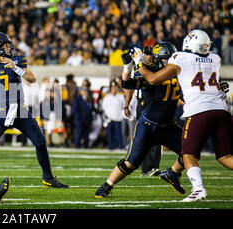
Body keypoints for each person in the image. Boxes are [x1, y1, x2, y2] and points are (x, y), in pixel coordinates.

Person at [0, 32, 68, 188]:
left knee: (40, 141)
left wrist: (16, 67)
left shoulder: (17, 59)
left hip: (20, 109)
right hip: (2, 110)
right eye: (5, 45)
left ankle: (48, 178)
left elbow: (32, 78)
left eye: (9, 45)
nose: (9, 48)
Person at [134, 30, 233, 202]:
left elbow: (153, 79)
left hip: (199, 110)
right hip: (222, 109)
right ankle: (172, 173)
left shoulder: (180, 58)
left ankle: (198, 189)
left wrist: (139, 64)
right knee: (225, 156)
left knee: (188, 154)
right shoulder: (215, 59)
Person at [95, 42, 186, 198]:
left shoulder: (179, 73)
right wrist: (127, 67)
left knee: (190, 152)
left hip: (169, 126)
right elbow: (127, 83)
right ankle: (107, 185)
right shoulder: (148, 71)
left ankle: (172, 173)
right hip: (148, 126)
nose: (169, 61)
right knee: (131, 163)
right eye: (166, 59)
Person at [102, 81, 125, 150]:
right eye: (112, 88)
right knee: (110, 134)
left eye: (115, 88)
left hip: (118, 119)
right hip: (110, 119)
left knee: (119, 134)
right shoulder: (107, 97)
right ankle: (111, 147)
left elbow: (124, 107)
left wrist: (121, 116)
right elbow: (104, 107)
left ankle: (121, 146)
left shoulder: (121, 97)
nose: (114, 89)